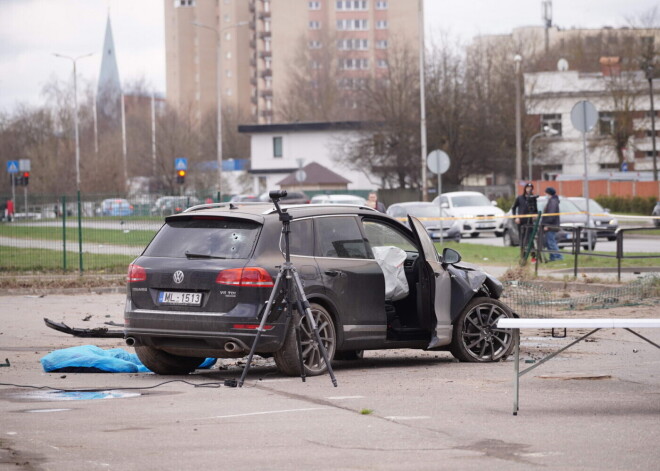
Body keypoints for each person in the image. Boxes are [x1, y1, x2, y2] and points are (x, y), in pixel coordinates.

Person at [511, 183, 536, 248]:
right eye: (527, 188)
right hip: (521, 222)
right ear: (525, 189)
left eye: (530, 188)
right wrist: (515, 218)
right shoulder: (520, 198)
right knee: (522, 238)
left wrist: (534, 215)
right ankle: (523, 255)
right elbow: (513, 208)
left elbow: (535, 209)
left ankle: (533, 255)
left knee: (530, 238)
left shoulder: (533, 198)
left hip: (530, 221)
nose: (529, 190)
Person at [543, 187, 563, 261]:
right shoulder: (552, 201)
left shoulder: (553, 202)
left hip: (551, 225)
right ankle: (553, 257)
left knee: (551, 242)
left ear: (549, 193)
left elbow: (551, 215)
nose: (544, 194)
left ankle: (558, 257)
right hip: (551, 225)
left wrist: (547, 225)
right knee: (549, 242)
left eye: (545, 193)